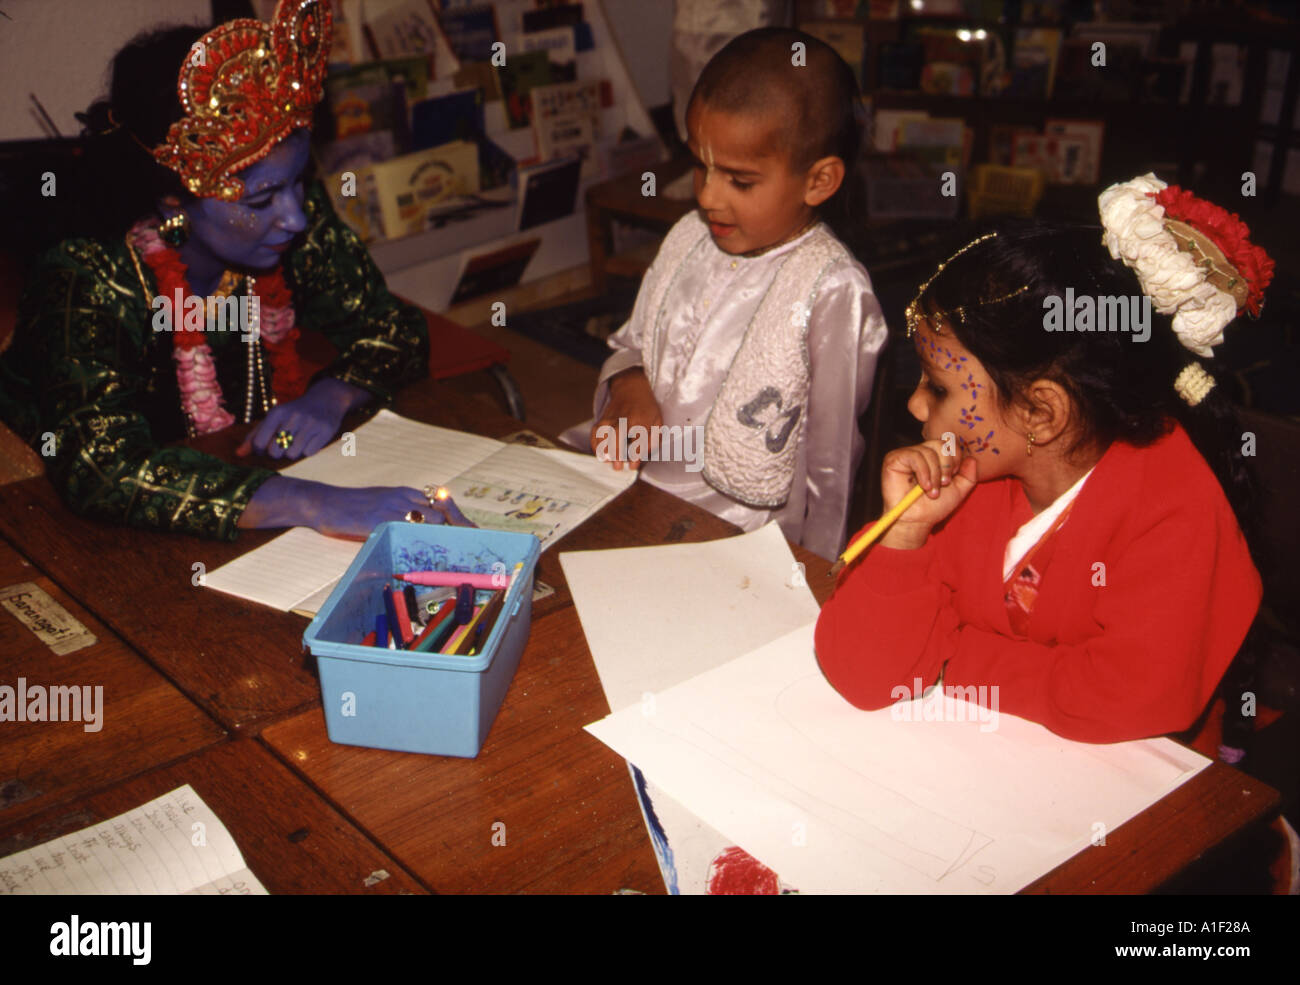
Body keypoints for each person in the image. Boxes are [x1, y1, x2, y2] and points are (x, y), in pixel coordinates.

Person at [815, 174, 1274, 744]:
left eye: (937, 388)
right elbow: (864, 675)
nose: (914, 405)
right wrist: (904, 536)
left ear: (1040, 413)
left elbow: (1126, 697)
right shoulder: (967, 481)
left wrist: (949, 660)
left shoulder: (1172, 508)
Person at [0, 0, 469, 540]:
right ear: (173, 200)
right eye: (263, 197)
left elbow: (394, 330)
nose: (294, 215)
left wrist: (332, 395)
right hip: (41, 507)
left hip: (227, 470)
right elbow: (103, 468)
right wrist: (310, 501)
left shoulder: (295, 227)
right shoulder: (88, 276)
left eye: (298, 182)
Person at [565, 28, 887, 561]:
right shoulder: (688, 237)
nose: (708, 196)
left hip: (736, 530)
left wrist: (817, 572)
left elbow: (832, 467)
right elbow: (631, 341)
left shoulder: (834, 291)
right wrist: (628, 381)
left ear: (820, 181)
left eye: (739, 180)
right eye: (700, 166)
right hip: (631, 484)